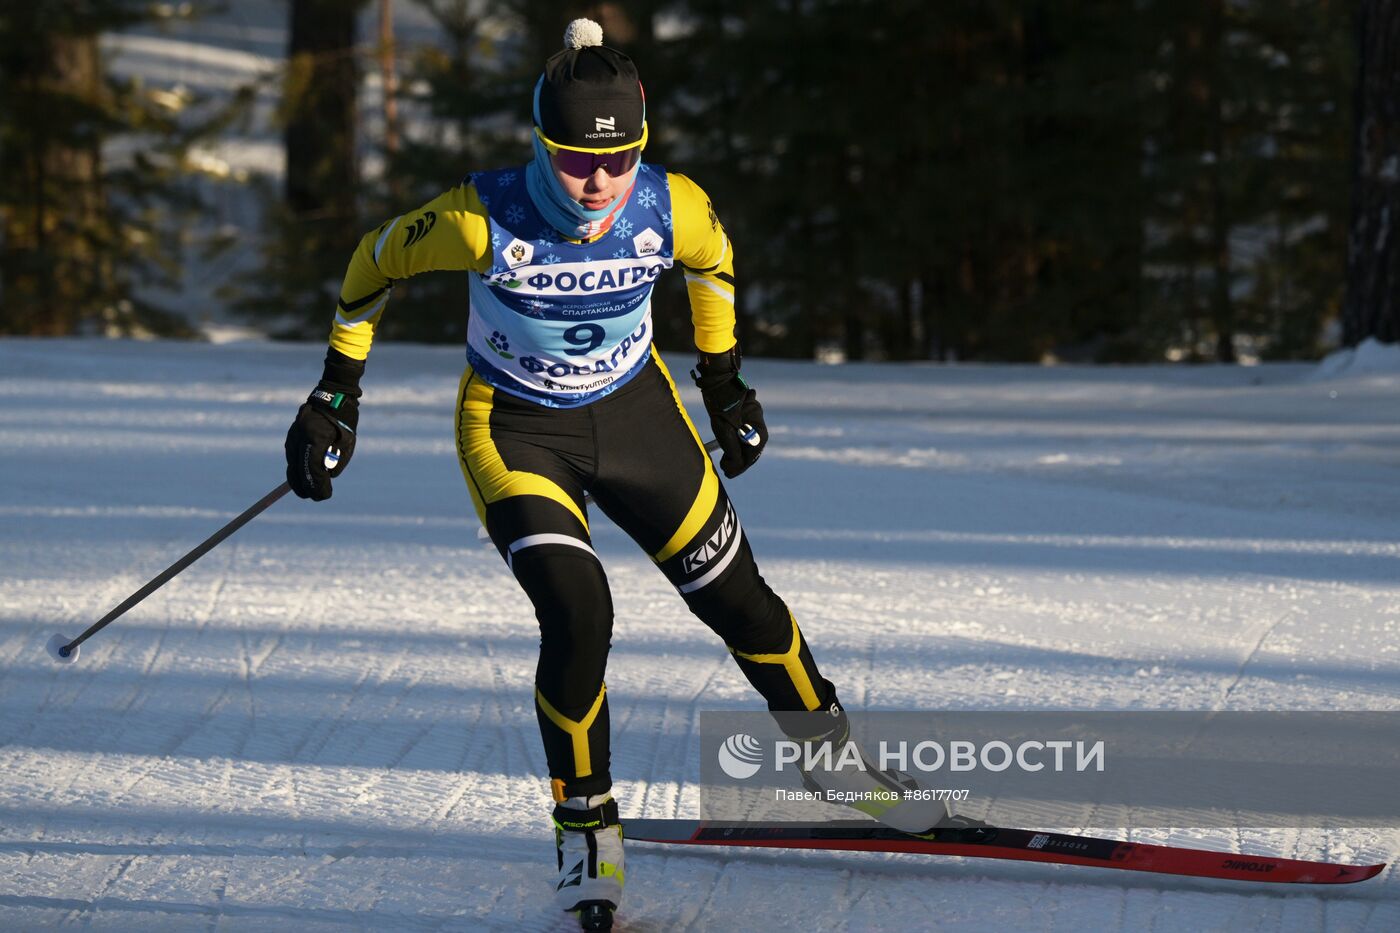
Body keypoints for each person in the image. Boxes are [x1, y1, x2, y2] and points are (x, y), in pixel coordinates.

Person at [283, 19, 944, 930]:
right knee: (579, 608)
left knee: (739, 601)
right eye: (571, 160)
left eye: (619, 159)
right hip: (515, 428)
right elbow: (370, 263)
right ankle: (585, 824)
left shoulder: (670, 208)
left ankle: (834, 764)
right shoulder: (481, 217)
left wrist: (723, 383)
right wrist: (335, 393)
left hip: (636, 416)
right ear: (539, 143)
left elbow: (714, 267)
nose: (597, 182)